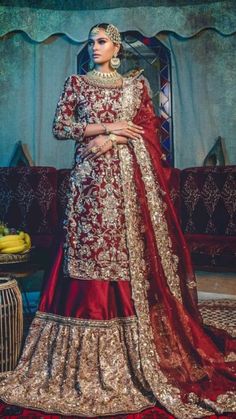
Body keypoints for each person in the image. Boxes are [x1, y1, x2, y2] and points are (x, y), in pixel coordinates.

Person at [0, 23, 235, 419]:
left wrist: (113, 139)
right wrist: (107, 127)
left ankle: (132, 345)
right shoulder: (77, 83)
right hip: (87, 186)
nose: (95, 47)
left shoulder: (135, 87)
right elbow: (62, 128)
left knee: (124, 257)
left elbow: (146, 132)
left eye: (102, 41)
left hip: (127, 188)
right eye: (92, 42)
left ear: (116, 47)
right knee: (85, 255)